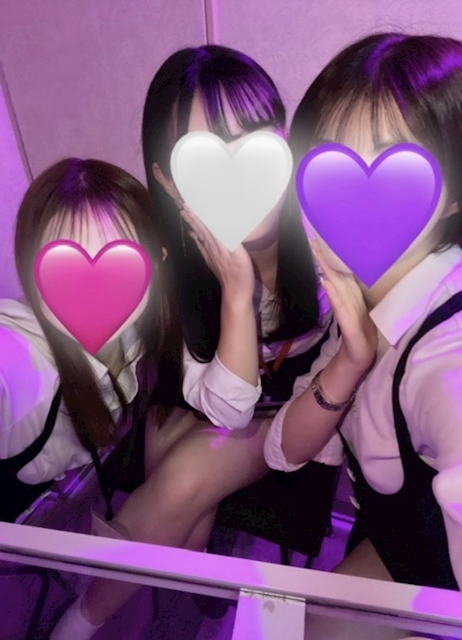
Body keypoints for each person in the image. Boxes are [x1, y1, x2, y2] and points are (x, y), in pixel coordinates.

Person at [51, 45, 339, 640]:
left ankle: (80, 620)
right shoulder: (178, 257)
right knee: (180, 496)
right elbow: (211, 398)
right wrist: (232, 291)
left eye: (255, 136)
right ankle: (195, 578)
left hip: (292, 409)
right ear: (167, 178)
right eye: (207, 155)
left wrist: (239, 291)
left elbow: (240, 412)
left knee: (181, 482)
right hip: (208, 398)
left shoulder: (325, 227)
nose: (238, 170)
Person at [264, 32, 462, 640]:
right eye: (331, 168)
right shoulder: (361, 298)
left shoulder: (443, 350)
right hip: (403, 556)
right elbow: (284, 451)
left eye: (393, 168)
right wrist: (350, 362)